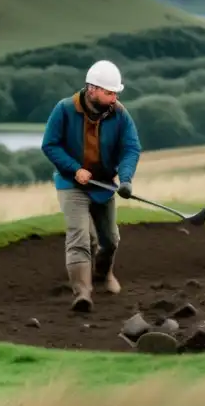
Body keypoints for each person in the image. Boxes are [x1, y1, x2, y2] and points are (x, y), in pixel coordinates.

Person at [41, 60, 141, 311]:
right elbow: (49, 145)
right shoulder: (63, 109)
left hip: (104, 185)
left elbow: (131, 148)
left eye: (115, 93)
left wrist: (126, 179)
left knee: (110, 240)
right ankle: (82, 293)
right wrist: (75, 169)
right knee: (79, 237)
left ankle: (104, 274)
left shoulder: (120, 114)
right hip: (71, 183)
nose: (114, 97)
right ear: (92, 89)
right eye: (109, 92)